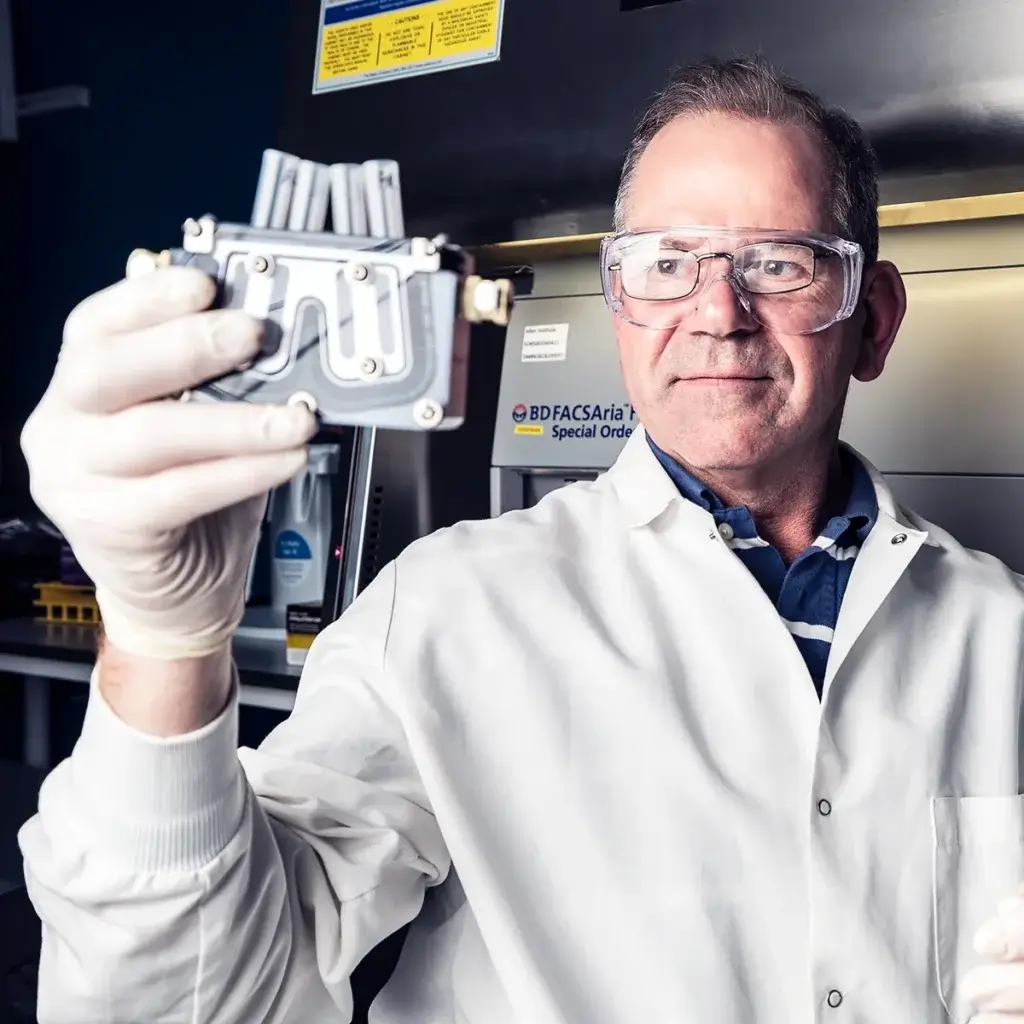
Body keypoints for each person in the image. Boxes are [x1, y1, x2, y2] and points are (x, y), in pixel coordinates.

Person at [16, 54, 1024, 1024]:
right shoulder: (450, 612)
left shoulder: (998, 631)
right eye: (665, 263)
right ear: (618, 302)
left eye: (778, 261)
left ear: (874, 318)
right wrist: (161, 642)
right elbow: (183, 1003)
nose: (718, 312)